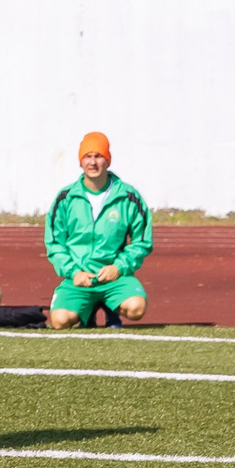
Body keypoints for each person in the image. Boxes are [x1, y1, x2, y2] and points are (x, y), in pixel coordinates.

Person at [45, 133, 152, 329]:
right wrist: (74, 272)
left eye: (98, 156)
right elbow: (54, 243)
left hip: (115, 278)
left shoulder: (128, 196)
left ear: (108, 160)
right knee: (60, 321)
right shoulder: (66, 198)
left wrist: (118, 267)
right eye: (88, 156)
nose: (93, 162)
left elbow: (142, 241)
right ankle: (89, 310)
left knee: (136, 308)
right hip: (79, 279)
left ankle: (111, 307)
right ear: (80, 161)